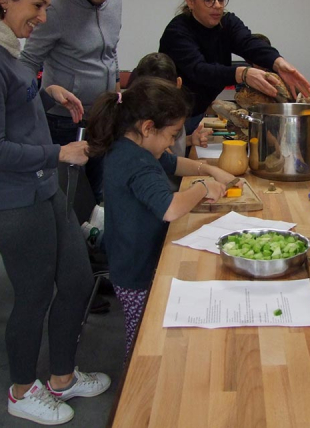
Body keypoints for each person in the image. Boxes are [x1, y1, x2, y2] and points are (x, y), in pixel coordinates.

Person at [0, 0, 110, 426]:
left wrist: (47, 90)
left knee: (78, 280)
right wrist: (56, 154)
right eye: (37, 6)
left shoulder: (4, 51)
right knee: (34, 293)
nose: (43, 18)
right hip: (10, 200)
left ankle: (62, 376)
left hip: (41, 191)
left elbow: (14, 92)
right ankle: (22, 390)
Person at [86, 77, 237, 356]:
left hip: (132, 260)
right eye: (172, 135)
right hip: (136, 270)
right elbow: (171, 208)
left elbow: (174, 163)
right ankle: (136, 387)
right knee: (143, 340)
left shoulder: (130, 146)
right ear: (148, 127)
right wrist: (203, 188)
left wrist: (210, 170)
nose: (173, 143)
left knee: (146, 330)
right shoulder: (137, 162)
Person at [159, 0, 310, 134]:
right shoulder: (177, 32)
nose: (217, 6)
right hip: (169, 117)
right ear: (190, 1)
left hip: (197, 111)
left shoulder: (227, 22)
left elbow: (249, 43)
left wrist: (278, 62)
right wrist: (242, 74)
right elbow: (200, 70)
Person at [20, 0, 122, 204]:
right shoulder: (55, 8)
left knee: (99, 192)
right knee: (69, 197)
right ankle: (70, 244)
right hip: (64, 122)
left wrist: (116, 88)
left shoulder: (115, 4)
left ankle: (92, 243)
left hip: (102, 118)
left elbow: (110, 53)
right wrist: (27, 107)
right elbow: (28, 62)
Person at [128, 52, 212, 157]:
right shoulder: (150, 120)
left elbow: (170, 144)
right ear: (178, 83)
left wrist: (189, 140)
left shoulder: (171, 110)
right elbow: (170, 160)